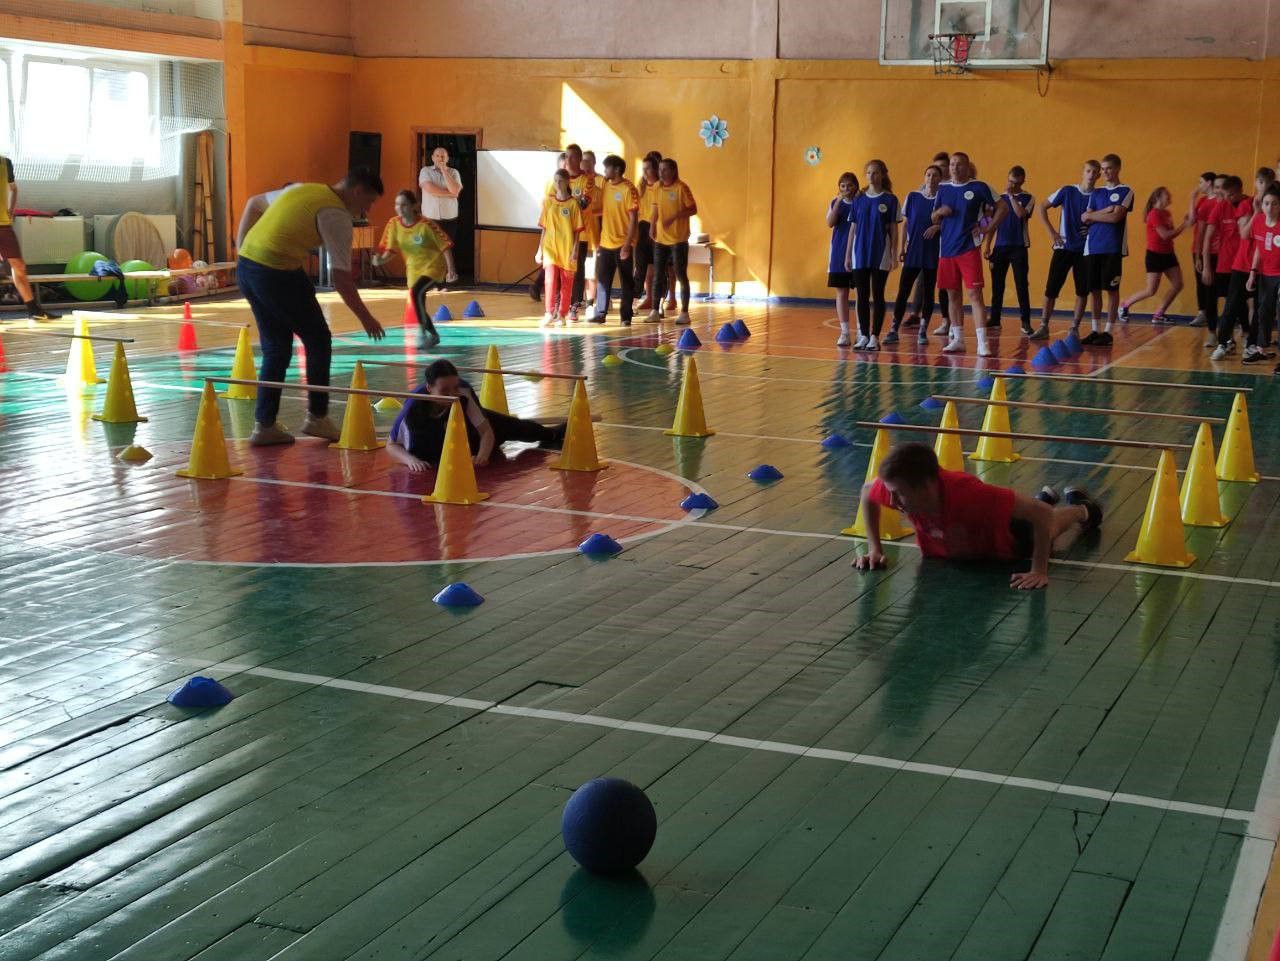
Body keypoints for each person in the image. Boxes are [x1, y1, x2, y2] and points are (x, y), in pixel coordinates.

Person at [236, 168, 387, 446]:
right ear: (357, 192)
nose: (367, 210)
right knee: (317, 339)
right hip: (275, 273)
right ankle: (317, 416)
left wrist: (241, 248)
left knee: (277, 348)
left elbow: (253, 203)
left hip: (249, 267)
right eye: (369, 202)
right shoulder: (336, 215)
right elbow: (342, 279)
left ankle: (264, 425)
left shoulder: (303, 189)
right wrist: (366, 318)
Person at [850, 442, 1102, 591]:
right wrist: (875, 549)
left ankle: (1083, 509)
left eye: (897, 494)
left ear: (926, 487)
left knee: (1048, 524)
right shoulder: (900, 488)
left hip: (1009, 538)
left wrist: (1038, 570)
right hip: (964, 548)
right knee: (1031, 510)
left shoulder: (968, 493)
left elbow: (1042, 515)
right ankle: (1041, 498)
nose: (891, 501)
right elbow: (867, 492)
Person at [387, 359, 565, 471]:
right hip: (446, 442)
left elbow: (486, 431)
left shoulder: (464, 392)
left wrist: (482, 455)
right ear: (429, 388)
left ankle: (553, 433)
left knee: (517, 427)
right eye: (444, 390)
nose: (452, 394)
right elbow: (391, 445)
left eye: (455, 388)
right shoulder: (413, 406)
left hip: (472, 431)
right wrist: (410, 460)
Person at [930, 151, 1007, 356]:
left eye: (959, 164)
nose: (955, 167)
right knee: (952, 294)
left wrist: (988, 228)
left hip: (968, 249)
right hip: (946, 250)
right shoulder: (943, 189)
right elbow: (934, 218)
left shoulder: (979, 187)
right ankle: (958, 340)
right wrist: (938, 213)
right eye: (952, 164)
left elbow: (1003, 207)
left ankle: (982, 342)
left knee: (974, 294)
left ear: (967, 166)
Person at [372, 190, 458, 350]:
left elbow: (445, 246)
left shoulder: (426, 225)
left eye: (404, 204)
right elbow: (391, 250)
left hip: (433, 266)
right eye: (397, 204)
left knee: (416, 293)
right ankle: (433, 335)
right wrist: (380, 260)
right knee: (419, 303)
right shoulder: (394, 224)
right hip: (413, 270)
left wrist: (451, 270)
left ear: (414, 206)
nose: (399, 208)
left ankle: (422, 333)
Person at [1032, 160, 1099, 341]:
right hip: (1063, 247)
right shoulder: (1067, 191)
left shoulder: (1099, 196)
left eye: (1094, 172)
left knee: (1082, 291)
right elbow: (1042, 207)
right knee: (1051, 289)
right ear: (1083, 172)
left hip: (1085, 251)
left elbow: (1103, 218)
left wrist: (1093, 230)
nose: (1091, 175)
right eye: (1088, 171)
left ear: (1098, 175)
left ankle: (1074, 327)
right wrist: (1052, 232)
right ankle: (1043, 325)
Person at [1079, 153, 1134, 347]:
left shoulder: (1126, 190)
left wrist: (1095, 215)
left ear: (1117, 168)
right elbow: (1084, 218)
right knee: (1094, 290)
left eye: (1108, 168)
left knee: (1111, 290)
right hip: (1092, 247)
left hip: (1112, 248)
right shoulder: (1096, 193)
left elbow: (1116, 217)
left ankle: (1108, 332)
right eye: (1102, 169)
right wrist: (1107, 210)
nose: (1104, 172)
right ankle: (1095, 330)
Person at [888, 163, 943, 346]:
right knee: (903, 290)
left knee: (928, 292)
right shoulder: (913, 196)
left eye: (935, 175)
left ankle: (923, 331)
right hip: (913, 251)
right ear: (924, 177)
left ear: (940, 179)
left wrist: (938, 226)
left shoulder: (943, 199)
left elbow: (950, 224)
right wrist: (902, 248)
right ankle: (893, 329)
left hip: (932, 252)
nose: (931, 178)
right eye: (928, 175)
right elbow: (905, 224)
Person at [0, 153, 58, 322]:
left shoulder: (5, 162)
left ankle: (34, 311)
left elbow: (13, 189)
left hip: (3, 225)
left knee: (19, 266)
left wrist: (11, 211)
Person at [1117, 187, 1187, 326]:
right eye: (1167, 195)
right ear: (1158, 197)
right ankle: (1124, 305)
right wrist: (1184, 225)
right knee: (1151, 290)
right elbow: (1165, 235)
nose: (1169, 197)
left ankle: (1159, 314)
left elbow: (1170, 233)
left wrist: (1184, 224)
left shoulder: (1166, 213)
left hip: (1168, 254)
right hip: (1155, 255)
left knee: (1178, 284)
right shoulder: (1154, 214)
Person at [849, 159, 899, 351]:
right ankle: (863, 335)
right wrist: (847, 255)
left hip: (880, 252)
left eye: (875, 172)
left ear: (883, 175)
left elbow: (894, 230)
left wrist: (893, 254)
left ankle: (874, 337)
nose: (871, 176)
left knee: (878, 294)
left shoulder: (890, 200)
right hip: (859, 252)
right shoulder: (858, 199)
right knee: (862, 295)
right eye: (869, 172)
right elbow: (853, 228)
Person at [1204, 174, 1253, 358]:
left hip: (1248, 264)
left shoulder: (1251, 204)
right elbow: (1208, 236)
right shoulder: (1221, 206)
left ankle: (1250, 339)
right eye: (1225, 194)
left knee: (1249, 304)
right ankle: (1226, 341)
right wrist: (1206, 265)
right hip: (1226, 265)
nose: (1226, 198)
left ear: (1240, 191)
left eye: (1230, 194)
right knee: (1231, 304)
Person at [985, 165, 1034, 336]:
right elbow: (992, 224)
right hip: (1000, 247)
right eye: (1010, 181)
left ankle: (1026, 321)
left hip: (1019, 247)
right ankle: (995, 318)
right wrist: (987, 245)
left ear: (1022, 181)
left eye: (1016, 183)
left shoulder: (1028, 197)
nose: (1012, 185)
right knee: (997, 284)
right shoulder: (998, 199)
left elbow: (1021, 214)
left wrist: (1011, 196)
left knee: (1021, 285)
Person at [647, 158, 697, 325]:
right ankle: (655, 310)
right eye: (659, 169)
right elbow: (655, 208)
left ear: (673, 171)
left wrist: (675, 216)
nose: (661, 173)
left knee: (680, 274)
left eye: (665, 170)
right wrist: (652, 225)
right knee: (658, 274)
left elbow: (693, 209)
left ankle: (684, 312)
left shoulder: (681, 188)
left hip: (678, 239)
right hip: (661, 239)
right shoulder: (657, 187)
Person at [591, 155, 640, 325]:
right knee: (603, 279)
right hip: (606, 242)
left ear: (617, 170)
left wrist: (627, 244)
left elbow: (633, 219)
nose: (605, 171)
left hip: (623, 243)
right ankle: (600, 313)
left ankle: (625, 317)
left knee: (626, 281)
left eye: (607, 168)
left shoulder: (629, 189)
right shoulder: (605, 184)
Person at [546, 144, 593, 311]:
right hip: (556, 237)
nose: (568, 160)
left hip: (579, 235)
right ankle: (556, 306)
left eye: (572, 156)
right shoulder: (556, 180)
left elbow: (583, 204)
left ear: (580, 159)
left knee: (576, 271)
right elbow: (550, 205)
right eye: (566, 156)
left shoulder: (587, 180)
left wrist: (568, 200)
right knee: (555, 272)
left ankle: (574, 305)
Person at [537, 169, 584, 327]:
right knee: (550, 280)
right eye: (555, 180)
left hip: (567, 249)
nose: (557, 184)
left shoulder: (573, 204)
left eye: (561, 181)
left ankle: (562, 314)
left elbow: (577, 231)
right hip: (550, 248)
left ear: (567, 182)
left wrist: (575, 250)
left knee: (566, 283)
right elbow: (544, 227)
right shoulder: (549, 202)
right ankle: (549, 312)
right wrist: (539, 249)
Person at [1246, 184, 1280, 365]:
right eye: (1266, 203)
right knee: (1263, 312)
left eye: (1274, 204)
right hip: (1266, 275)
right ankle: (1261, 350)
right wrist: (1253, 272)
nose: (1270, 207)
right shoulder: (1258, 221)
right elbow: (1259, 248)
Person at [827, 171, 859, 348]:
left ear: (856, 187)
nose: (846, 189)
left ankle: (861, 331)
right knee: (841, 293)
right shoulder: (835, 203)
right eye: (843, 186)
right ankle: (845, 332)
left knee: (861, 293)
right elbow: (830, 223)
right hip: (839, 253)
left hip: (858, 253)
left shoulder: (861, 203)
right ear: (839, 188)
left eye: (850, 185)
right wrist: (838, 202)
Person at [633, 152, 662, 312]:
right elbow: (634, 208)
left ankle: (658, 302)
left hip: (657, 228)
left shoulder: (661, 186)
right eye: (643, 169)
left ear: (655, 169)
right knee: (640, 267)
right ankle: (633, 301)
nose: (644, 172)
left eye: (648, 169)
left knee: (658, 267)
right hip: (642, 228)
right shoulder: (641, 186)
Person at [417, 146, 464, 242]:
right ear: (432, 158)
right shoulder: (425, 170)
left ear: (447, 158)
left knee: (447, 247)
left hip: (450, 218)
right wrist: (452, 194)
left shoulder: (454, 172)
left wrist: (444, 170)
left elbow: (455, 190)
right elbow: (431, 189)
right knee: (430, 247)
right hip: (430, 218)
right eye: (437, 156)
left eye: (443, 156)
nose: (440, 158)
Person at [1189, 172, 1218, 327]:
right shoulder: (1202, 200)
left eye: (1201, 182)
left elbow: (1204, 230)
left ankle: (1214, 316)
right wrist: (1192, 199)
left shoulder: (1218, 202)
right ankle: (1202, 313)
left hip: (1213, 249)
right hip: (1198, 247)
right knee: (1200, 282)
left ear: (1209, 183)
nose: (1199, 185)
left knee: (1212, 284)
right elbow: (1191, 220)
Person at [581, 150, 605, 317]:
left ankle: (591, 301)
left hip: (594, 236)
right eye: (583, 161)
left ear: (594, 162)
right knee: (580, 271)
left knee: (592, 271)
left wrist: (590, 213)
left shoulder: (601, 183)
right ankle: (581, 299)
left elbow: (605, 209)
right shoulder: (578, 184)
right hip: (578, 235)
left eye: (589, 161)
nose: (586, 164)